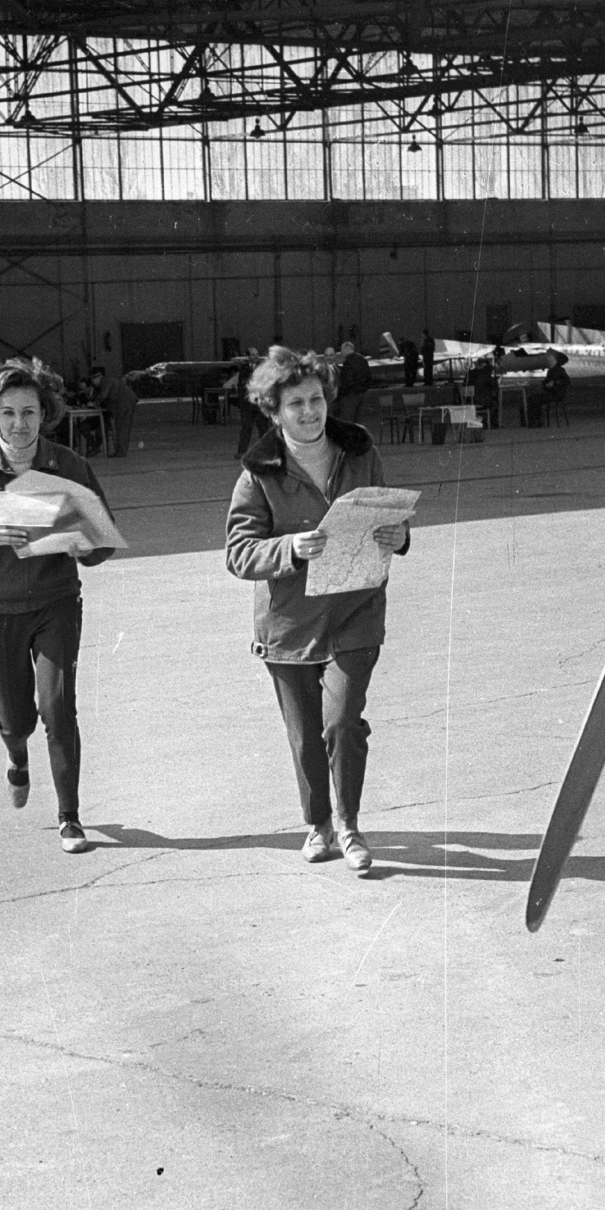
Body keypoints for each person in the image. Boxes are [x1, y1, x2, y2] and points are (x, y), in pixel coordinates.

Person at [225, 346, 410, 875]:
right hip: (289, 623)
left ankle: (349, 825)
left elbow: (386, 519)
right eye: (295, 404)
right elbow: (238, 554)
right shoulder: (257, 474)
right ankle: (318, 824)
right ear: (274, 411)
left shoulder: (360, 452)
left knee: (342, 722)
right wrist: (290, 548)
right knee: (305, 732)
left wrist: (398, 537)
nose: (309, 412)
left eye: (315, 400)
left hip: (356, 610)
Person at [0, 357, 117, 856]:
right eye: (8, 412)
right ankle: (16, 756)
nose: (19, 424)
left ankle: (69, 817)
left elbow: (102, 540)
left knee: (58, 707)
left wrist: (84, 546)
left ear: (45, 412)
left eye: (29, 412)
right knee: (17, 717)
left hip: (56, 604)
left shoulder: (70, 466)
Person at [89, 365, 140, 457]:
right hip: (127, 402)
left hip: (124, 404)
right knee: (123, 427)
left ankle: (121, 452)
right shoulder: (109, 379)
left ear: (95, 378)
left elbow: (104, 395)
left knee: (121, 428)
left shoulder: (105, 381)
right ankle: (121, 450)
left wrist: (95, 403)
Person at [234, 349, 270, 458]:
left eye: (257, 354)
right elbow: (241, 387)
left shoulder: (263, 369)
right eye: (253, 355)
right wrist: (242, 402)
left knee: (263, 428)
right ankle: (242, 451)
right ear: (248, 357)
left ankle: (267, 452)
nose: (255, 356)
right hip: (247, 405)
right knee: (246, 427)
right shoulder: (243, 369)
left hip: (260, 404)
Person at [333, 341, 371, 424]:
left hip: (349, 396)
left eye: (341, 351)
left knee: (346, 423)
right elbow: (369, 378)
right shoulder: (363, 360)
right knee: (357, 423)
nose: (341, 353)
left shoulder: (348, 361)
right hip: (361, 395)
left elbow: (347, 381)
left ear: (345, 350)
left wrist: (340, 394)